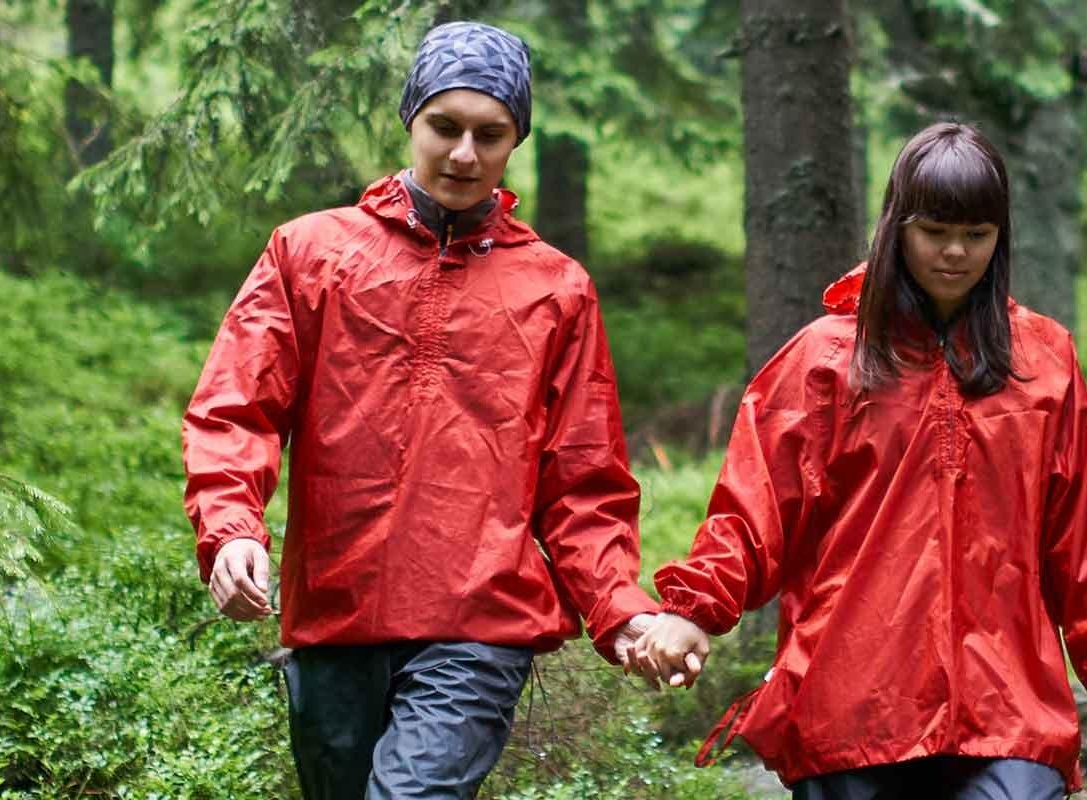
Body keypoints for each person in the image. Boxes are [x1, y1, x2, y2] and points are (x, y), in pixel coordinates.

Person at [178, 20, 706, 800]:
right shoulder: (310, 253)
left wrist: (619, 610)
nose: (465, 153)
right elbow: (236, 407)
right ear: (410, 120)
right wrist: (229, 532)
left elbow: (584, 482)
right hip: (336, 612)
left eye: (490, 134)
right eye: (445, 127)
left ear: (515, 140)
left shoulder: (556, 290)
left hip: (481, 622)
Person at [646, 122, 1087, 799]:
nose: (955, 252)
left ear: (1001, 237)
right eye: (934, 231)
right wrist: (693, 609)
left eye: (977, 235)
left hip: (1009, 706)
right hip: (851, 704)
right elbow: (753, 513)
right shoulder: (824, 361)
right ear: (898, 227)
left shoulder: (1044, 362)